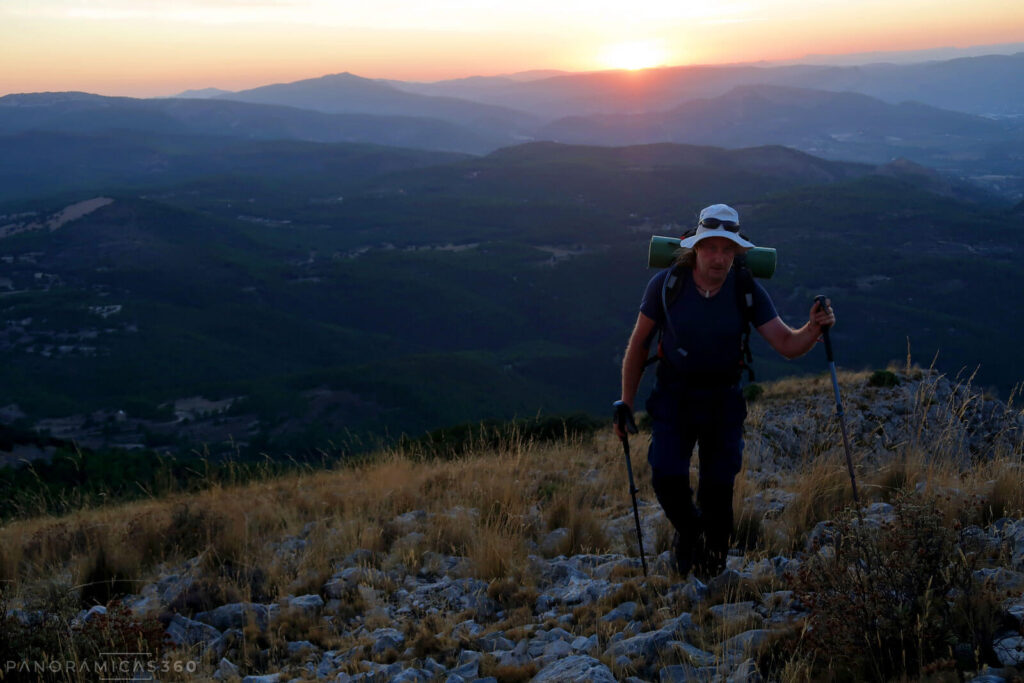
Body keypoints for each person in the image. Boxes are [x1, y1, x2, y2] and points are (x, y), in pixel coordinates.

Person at [615, 203, 836, 579]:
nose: (718, 258)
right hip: (674, 397)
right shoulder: (667, 284)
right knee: (666, 477)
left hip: (723, 402)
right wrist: (626, 403)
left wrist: (813, 329)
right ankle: (690, 535)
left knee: (718, 491)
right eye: (711, 247)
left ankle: (712, 578)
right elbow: (639, 345)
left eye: (727, 249)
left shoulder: (746, 290)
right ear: (695, 247)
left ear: (736, 252)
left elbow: (786, 343)